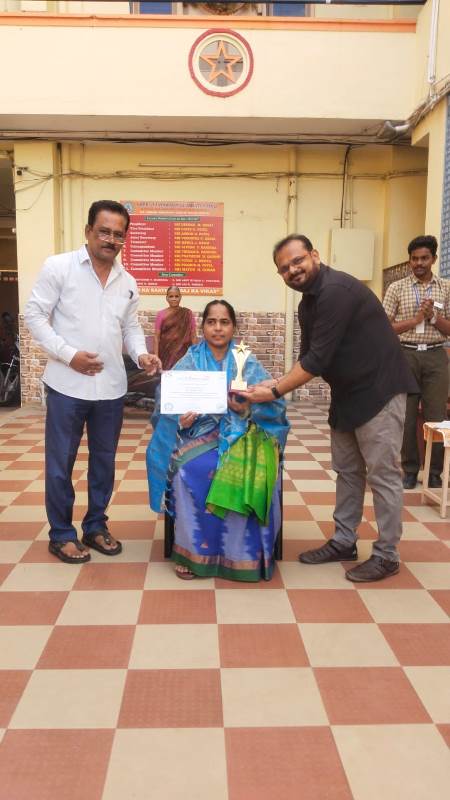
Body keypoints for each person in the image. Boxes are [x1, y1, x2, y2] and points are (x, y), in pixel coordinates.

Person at [239, 234, 418, 583]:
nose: (292, 270)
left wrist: (273, 391)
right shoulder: (307, 304)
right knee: (348, 470)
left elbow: (316, 361)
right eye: (284, 268)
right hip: (347, 394)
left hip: (380, 389)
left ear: (315, 256)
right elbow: (308, 357)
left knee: (383, 474)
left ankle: (387, 555)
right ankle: (344, 541)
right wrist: (274, 381)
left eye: (297, 261)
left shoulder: (336, 291)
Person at [24, 200, 160, 563]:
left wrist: (141, 354)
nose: (111, 239)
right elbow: (34, 314)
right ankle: (61, 534)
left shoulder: (127, 282)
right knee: (60, 463)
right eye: (104, 231)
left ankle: (96, 526)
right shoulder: (59, 267)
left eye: (118, 234)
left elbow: (130, 327)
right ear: (88, 231)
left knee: (104, 462)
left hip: (111, 389)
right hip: (67, 385)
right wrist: (69, 354)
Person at [146, 299, 289, 582]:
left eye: (225, 322)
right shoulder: (190, 359)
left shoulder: (245, 360)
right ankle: (192, 552)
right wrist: (181, 419)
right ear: (203, 327)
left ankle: (244, 555)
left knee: (254, 470)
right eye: (211, 322)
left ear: (234, 327)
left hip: (243, 432)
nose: (218, 328)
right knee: (188, 469)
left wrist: (246, 409)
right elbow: (167, 402)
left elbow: (275, 403)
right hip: (199, 433)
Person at [383, 235, 450, 490]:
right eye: (414, 259)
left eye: (424, 258)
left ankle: (434, 473)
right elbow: (383, 327)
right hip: (405, 355)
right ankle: (409, 470)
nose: (419, 263)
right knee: (406, 417)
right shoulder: (397, 288)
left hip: (436, 356)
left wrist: (433, 317)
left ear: (434, 259)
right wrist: (414, 320)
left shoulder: (445, 287)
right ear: (409, 260)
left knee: (436, 417)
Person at [154, 286, 197, 370]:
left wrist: (195, 355)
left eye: (176, 296)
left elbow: (193, 335)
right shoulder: (161, 314)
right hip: (165, 353)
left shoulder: (188, 313)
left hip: (183, 353)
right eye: (171, 296)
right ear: (167, 298)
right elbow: (156, 337)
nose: (174, 299)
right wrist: (156, 356)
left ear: (180, 297)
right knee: (166, 374)